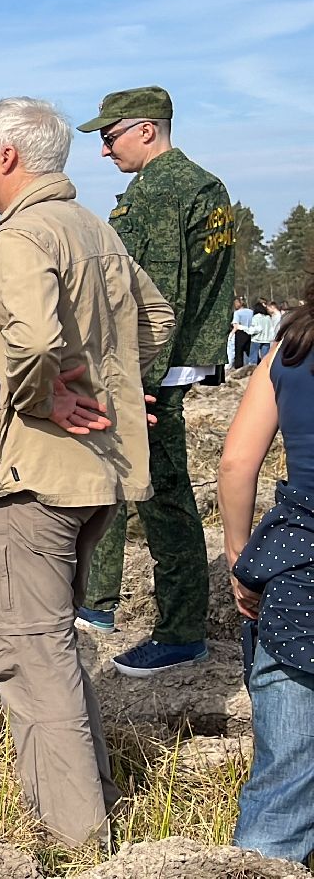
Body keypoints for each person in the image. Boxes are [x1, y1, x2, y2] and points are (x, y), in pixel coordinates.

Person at [0, 97, 173, 847]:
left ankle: (76, 839)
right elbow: (157, 320)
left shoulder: (22, 234)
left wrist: (46, 397)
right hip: (90, 476)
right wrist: (113, 387)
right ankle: (94, 802)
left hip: (28, 477)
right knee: (53, 646)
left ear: (8, 157)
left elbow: (36, 342)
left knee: (28, 657)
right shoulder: (94, 228)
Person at [75, 86, 234, 676]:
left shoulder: (165, 190)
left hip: (153, 369)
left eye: (109, 136)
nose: (104, 150)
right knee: (122, 475)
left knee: (161, 492)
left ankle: (180, 631)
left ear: (146, 129)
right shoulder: (200, 186)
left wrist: (136, 375)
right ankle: (97, 602)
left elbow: (160, 295)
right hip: (169, 362)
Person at [218, 281, 314, 864]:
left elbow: (236, 462)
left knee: (281, 788)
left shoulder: (292, 344)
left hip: (299, 582)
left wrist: (239, 556)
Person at [249, 300, 280, 364]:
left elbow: (254, 329)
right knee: (265, 358)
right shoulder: (268, 318)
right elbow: (271, 329)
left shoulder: (255, 317)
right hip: (266, 340)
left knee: (253, 357)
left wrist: (246, 329)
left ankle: (253, 368)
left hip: (256, 339)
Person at [230, 297, 253, 368]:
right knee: (250, 351)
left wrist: (231, 335)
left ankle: (238, 367)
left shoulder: (237, 313)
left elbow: (236, 325)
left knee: (239, 352)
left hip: (240, 333)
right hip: (250, 332)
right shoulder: (251, 311)